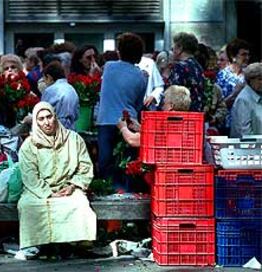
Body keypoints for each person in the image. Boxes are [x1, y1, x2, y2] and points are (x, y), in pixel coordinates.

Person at [17, 102, 96, 258]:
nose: (46, 122)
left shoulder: (73, 139)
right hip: (37, 190)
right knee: (27, 205)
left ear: (55, 117)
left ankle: (75, 243)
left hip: (67, 187)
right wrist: (48, 193)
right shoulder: (29, 145)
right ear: (36, 122)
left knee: (79, 204)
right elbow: (29, 175)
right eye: (41, 119)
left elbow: (85, 167)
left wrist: (73, 185)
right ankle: (39, 244)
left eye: (49, 117)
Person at [96, 32, 146, 181]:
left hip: (106, 121)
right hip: (129, 121)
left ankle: (107, 190)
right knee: (126, 164)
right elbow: (138, 103)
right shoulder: (141, 76)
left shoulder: (109, 67)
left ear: (120, 51)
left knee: (105, 162)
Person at [117, 85, 191, 147]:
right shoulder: (187, 125)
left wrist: (123, 127)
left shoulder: (166, 123)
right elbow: (157, 136)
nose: (161, 106)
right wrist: (139, 127)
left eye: (163, 102)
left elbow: (133, 140)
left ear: (170, 106)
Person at [216, 38, 250, 135]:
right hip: (227, 125)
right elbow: (221, 105)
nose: (247, 57)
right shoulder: (223, 76)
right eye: (243, 54)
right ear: (233, 56)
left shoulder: (249, 74)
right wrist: (235, 93)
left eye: (248, 54)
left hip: (245, 123)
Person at [167, 32, 205, 112]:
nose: (172, 49)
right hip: (196, 115)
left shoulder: (179, 67)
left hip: (181, 117)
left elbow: (172, 94)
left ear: (180, 48)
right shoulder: (198, 66)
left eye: (173, 46)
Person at [41, 61, 79, 130]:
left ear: (49, 77)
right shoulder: (72, 89)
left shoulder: (50, 90)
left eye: (44, 80)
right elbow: (76, 114)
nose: (45, 83)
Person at [230, 62, 262, 138]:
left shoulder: (258, 95)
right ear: (250, 80)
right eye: (260, 79)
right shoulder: (243, 100)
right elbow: (244, 132)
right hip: (249, 148)